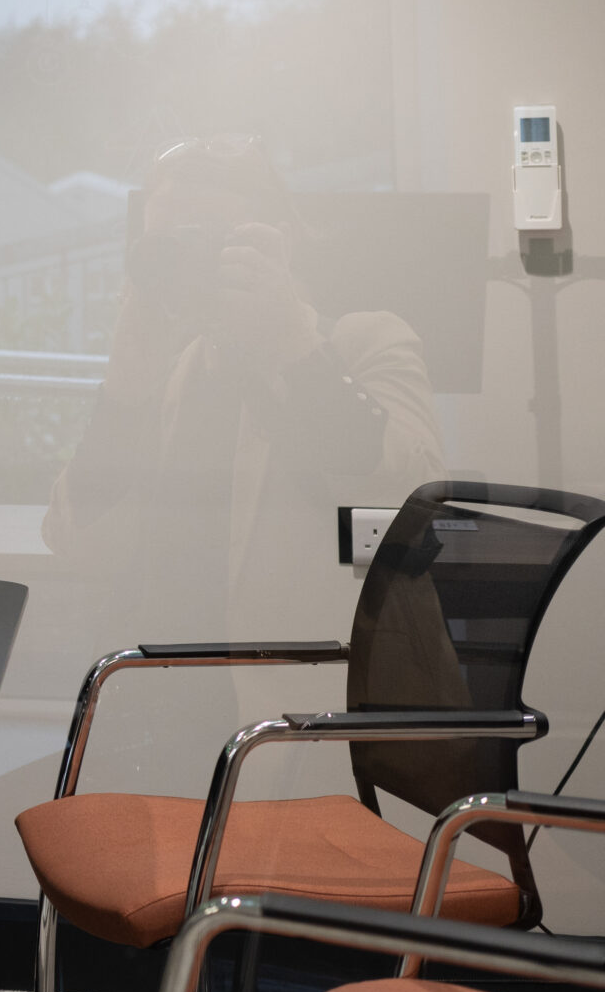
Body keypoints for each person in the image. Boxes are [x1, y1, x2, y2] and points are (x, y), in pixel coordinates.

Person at [43, 136, 445, 643]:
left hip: (314, 702)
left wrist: (290, 340)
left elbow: (409, 528)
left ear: (280, 244)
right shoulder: (175, 375)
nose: (189, 266)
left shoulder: (367, 341)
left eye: (211, 241)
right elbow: (79, 546)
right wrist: (123, 394)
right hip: (172, 687)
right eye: (167, 246)